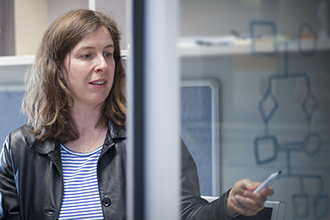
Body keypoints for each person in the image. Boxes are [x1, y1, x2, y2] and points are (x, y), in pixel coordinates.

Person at [0, 9, 273, 220]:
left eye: (109, 54)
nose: (103, 65)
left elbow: (186, 213)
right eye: (87, 55)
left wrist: (228, 205)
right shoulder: (19, 148)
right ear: (58, 68)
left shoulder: (153, 138)